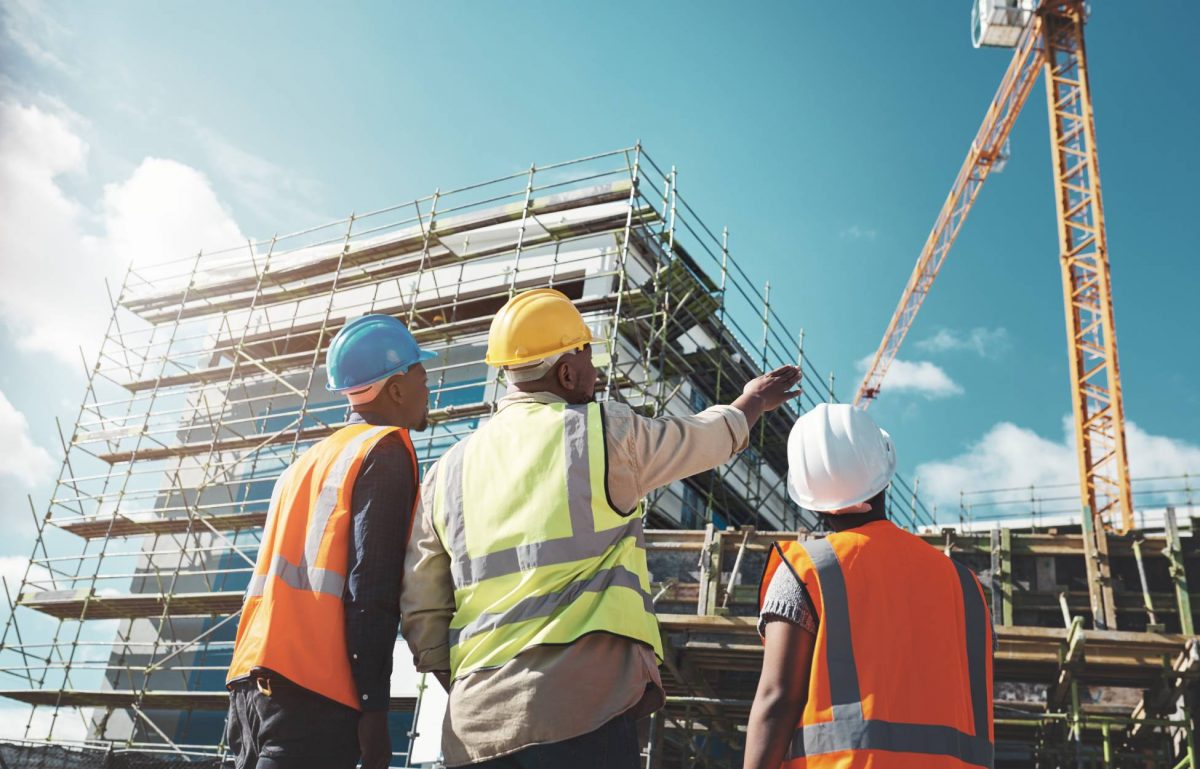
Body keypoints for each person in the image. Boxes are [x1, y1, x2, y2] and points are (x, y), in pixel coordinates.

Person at [400, 287, 802, 768]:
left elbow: (422, 611)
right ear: (565, 371)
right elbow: (703, 439)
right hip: (581, 713)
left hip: (476, 728)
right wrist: (750, 402)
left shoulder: (446, 470)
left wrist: (469, 685)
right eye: (589, 357)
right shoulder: (600, 431)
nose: (597, 373)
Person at [225, 314, 436, 769]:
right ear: (395, 388)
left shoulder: (307, 462)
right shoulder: (384, 449)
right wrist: (374, 711)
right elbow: (370, 589)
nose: (428, 387)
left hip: (250, 685)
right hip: (313, 694)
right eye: (422, 375)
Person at [744, 403, 994, 769]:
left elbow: (777, 699)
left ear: (812, 500)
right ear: (885, 477)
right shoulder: (967, 586)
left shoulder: (807, 568)